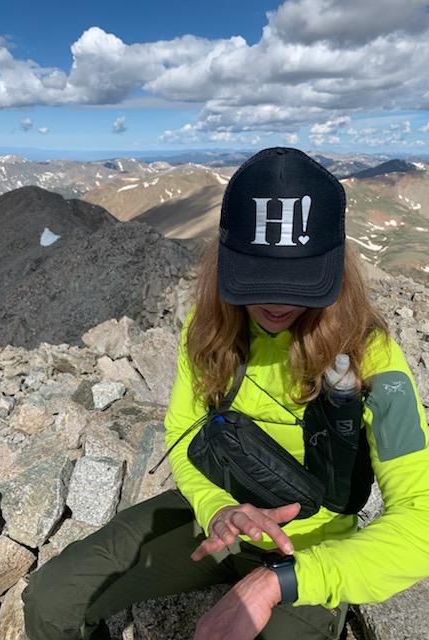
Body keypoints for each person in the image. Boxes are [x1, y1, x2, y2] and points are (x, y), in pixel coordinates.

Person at [22, 148, 429, 640]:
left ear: (335, 267)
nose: (277, 302)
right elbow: (184, 429)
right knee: (51, 597)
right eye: (257, 278)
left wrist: (278, 582)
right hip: (220, 514)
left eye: (300, 283)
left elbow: (421, 521)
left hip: (315, 546)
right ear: (227, 261)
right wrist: (217, 507)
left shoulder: (373, 356)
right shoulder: (209, 328)